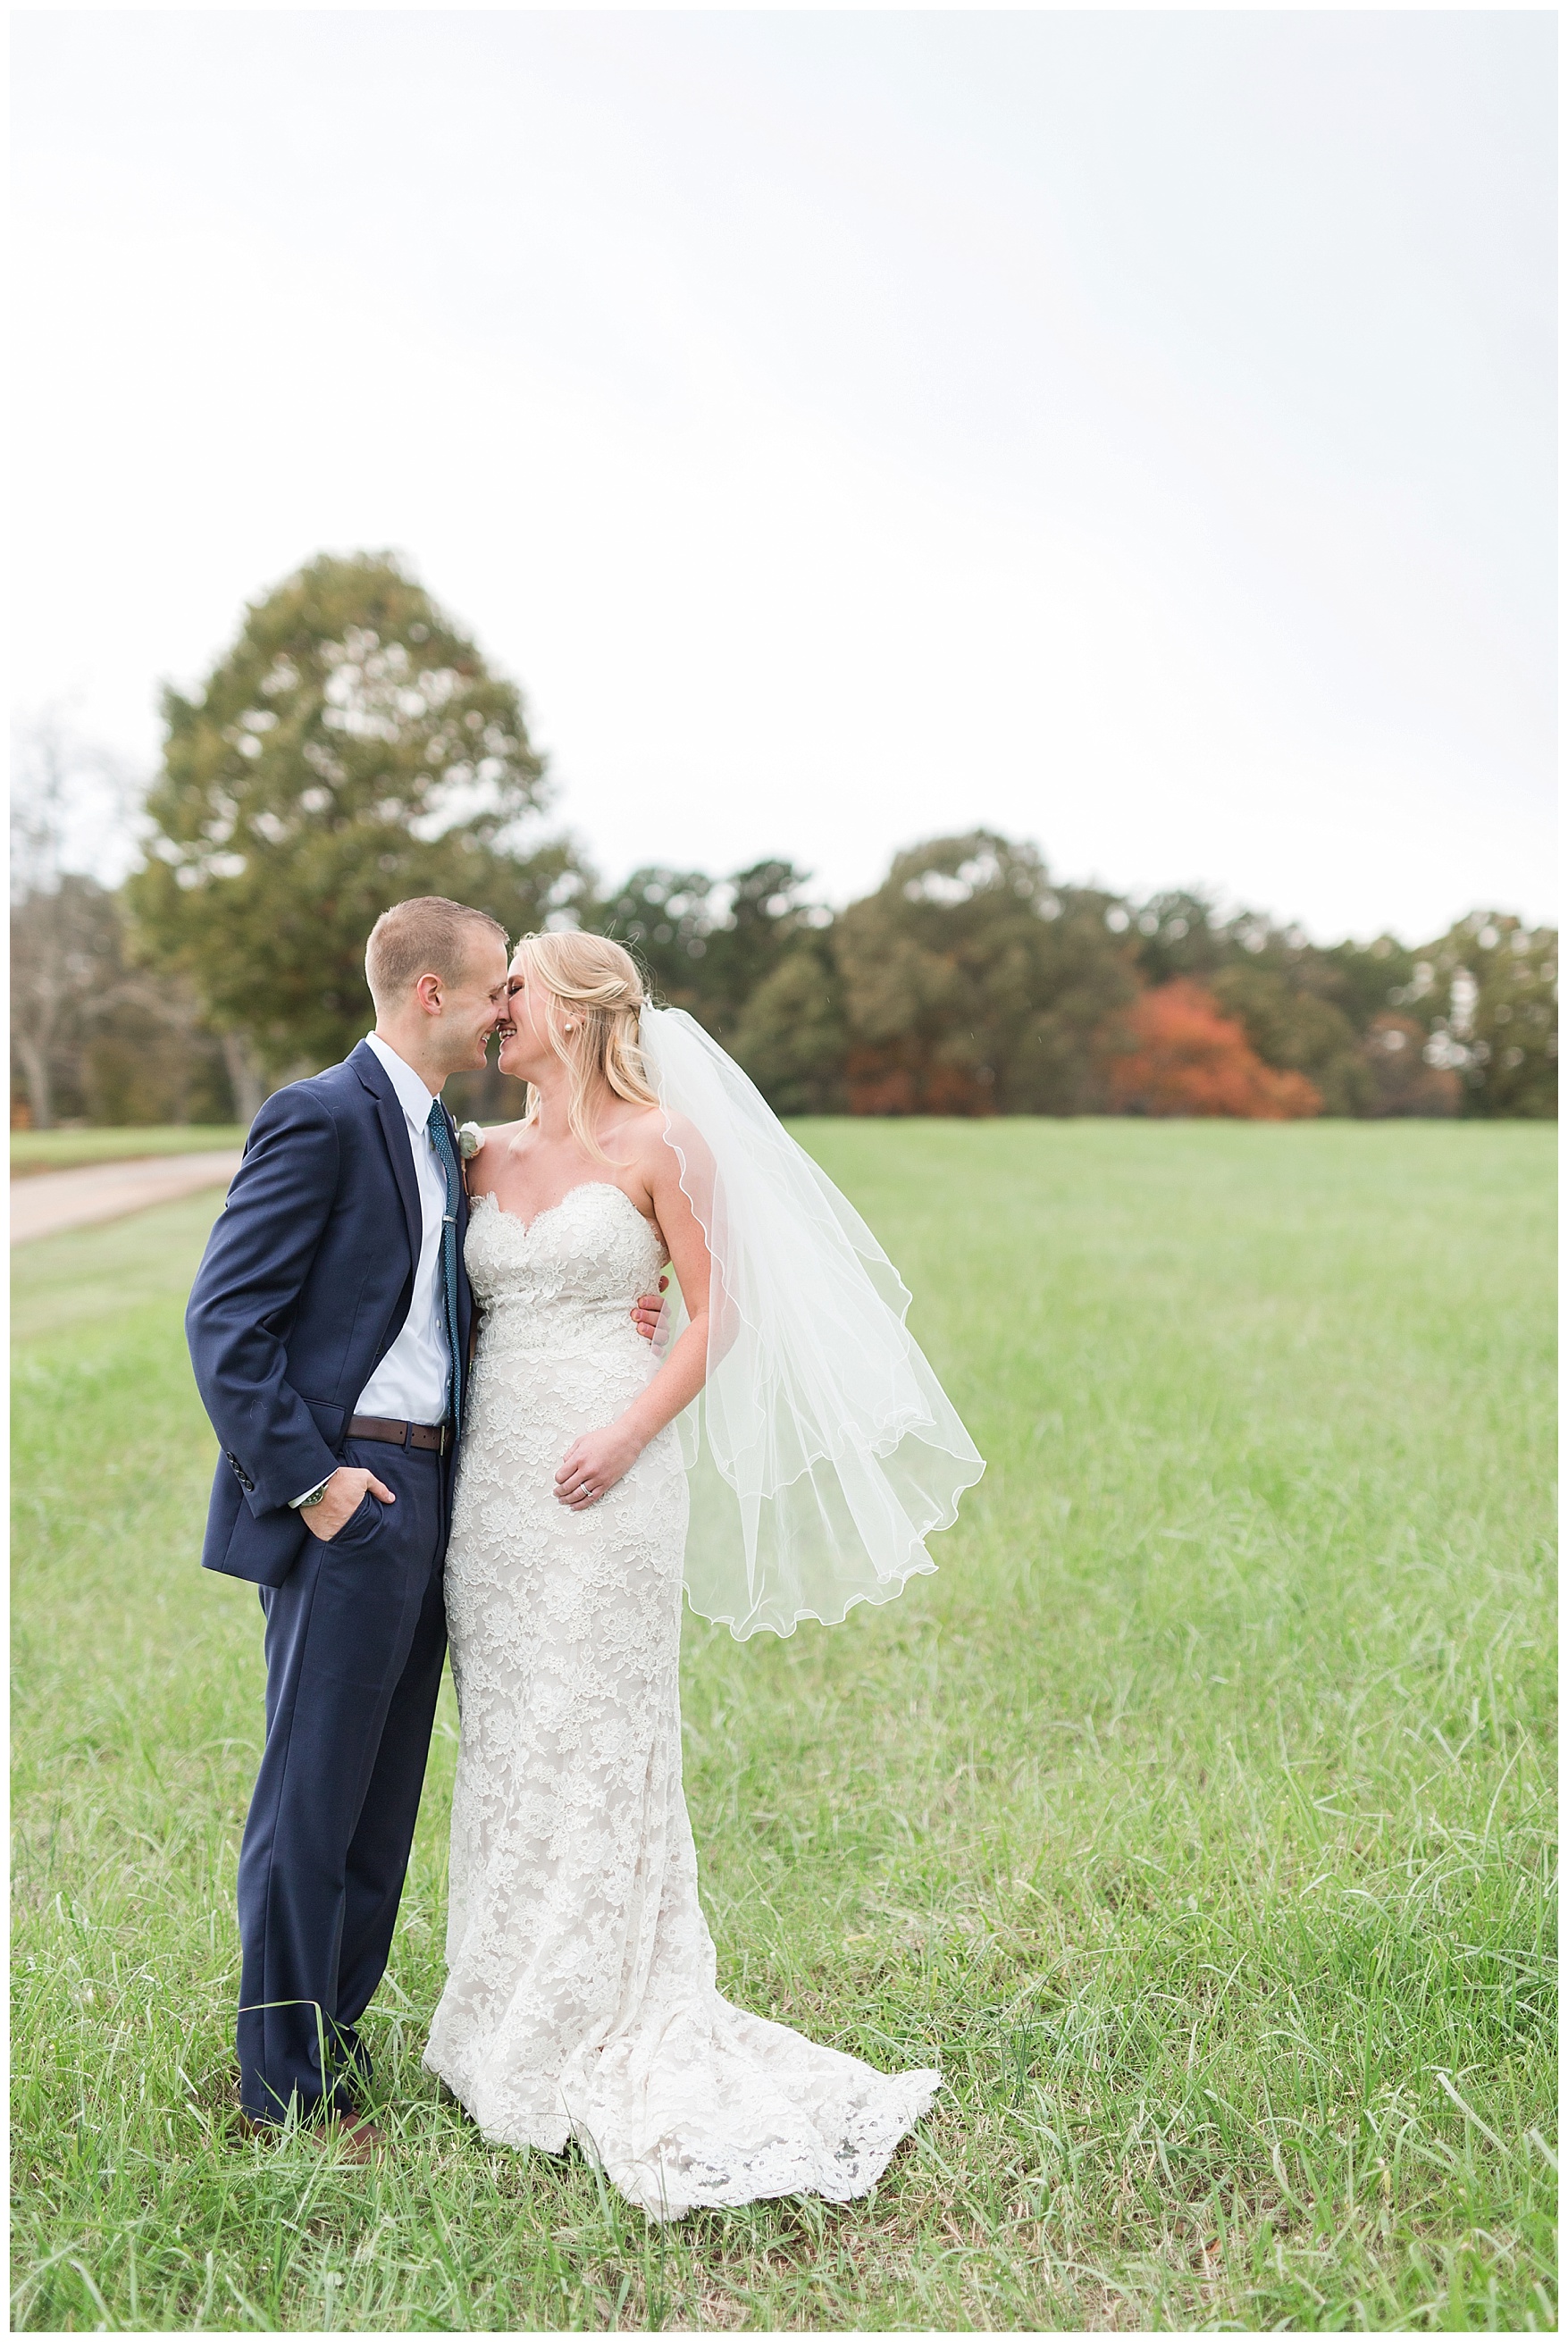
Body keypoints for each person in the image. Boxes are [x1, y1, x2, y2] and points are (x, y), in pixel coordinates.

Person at [424, 929, 984, 2218]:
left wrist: (629, 1430)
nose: (497, 1006)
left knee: (600, 1724)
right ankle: (501, 2006)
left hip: (613, 1474)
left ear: (574, 1010)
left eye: (517, 988)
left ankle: (608, 1998)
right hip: (495, 1489)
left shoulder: (661, 1143)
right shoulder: (478, 1153)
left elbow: (723, 1308)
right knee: (510, 1734)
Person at [184, 897, 667, 2153]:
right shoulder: (320, 1115)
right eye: (499, 985)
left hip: (444, 1502)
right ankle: (277, 2089)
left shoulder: (449, 1144)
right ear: (435, 994)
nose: (513, 1005)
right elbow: (223, 1323)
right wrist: (317, 1482)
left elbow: (493, 1294)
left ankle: (332, 2050)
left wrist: (633, 1306)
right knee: (309, 1796)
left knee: (380, 1805)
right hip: (346, 1498)